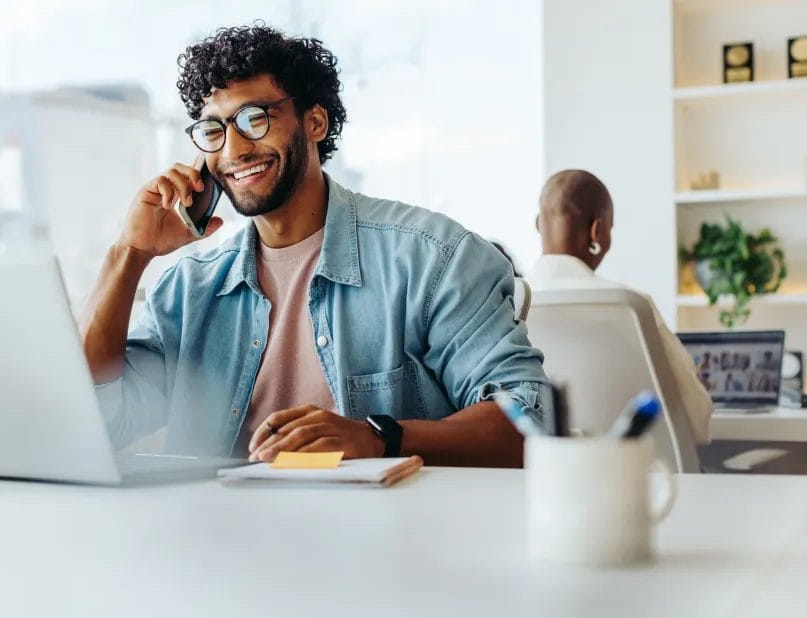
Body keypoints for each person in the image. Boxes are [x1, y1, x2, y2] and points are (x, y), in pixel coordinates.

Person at [79, 25, 548, 467]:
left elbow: (529, 420)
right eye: (214, 130)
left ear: (315, 122)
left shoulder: (432, 258)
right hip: (215, 541)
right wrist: (130, 253)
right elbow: (97, 422)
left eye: (254, 119)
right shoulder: (188, 291)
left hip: (381, 540)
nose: (234, 150)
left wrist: (380, 437)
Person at [528, 169, 713, 444]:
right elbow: (696, 420)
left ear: (538, 225)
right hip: (642, 479)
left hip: (551, 479)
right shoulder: (631, 305)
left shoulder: (510, 303)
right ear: (597, 230)